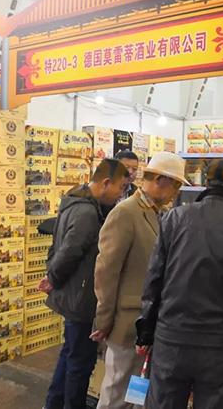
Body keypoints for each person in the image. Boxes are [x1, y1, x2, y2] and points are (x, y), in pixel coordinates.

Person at [135, 159, 223, 409]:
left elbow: (154, 281)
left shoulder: (174, 218)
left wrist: (145, 332)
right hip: (219, 344)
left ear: (206, 183)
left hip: (171, 338)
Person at [90, 152, 189, 409]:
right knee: (116, 393)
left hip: (148, 324)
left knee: (136, 392)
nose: (176, 193)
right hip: (125, 323)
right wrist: (104, 320)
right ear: (161, 180)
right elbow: (106, 271)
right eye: (176, 185)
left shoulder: (160, 214)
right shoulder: (126, 213)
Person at [39, 158, 128, 409]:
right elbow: (70, 251)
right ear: (106, 182)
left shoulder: (73, 201)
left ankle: (53, 404)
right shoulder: (87, 213)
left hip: (72, 293)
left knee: (69, 356)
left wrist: (52, 275)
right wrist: (53, 277)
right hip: (81, 299)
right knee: (80, 364)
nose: (120, 194)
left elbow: (57, 247)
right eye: (120, 188)